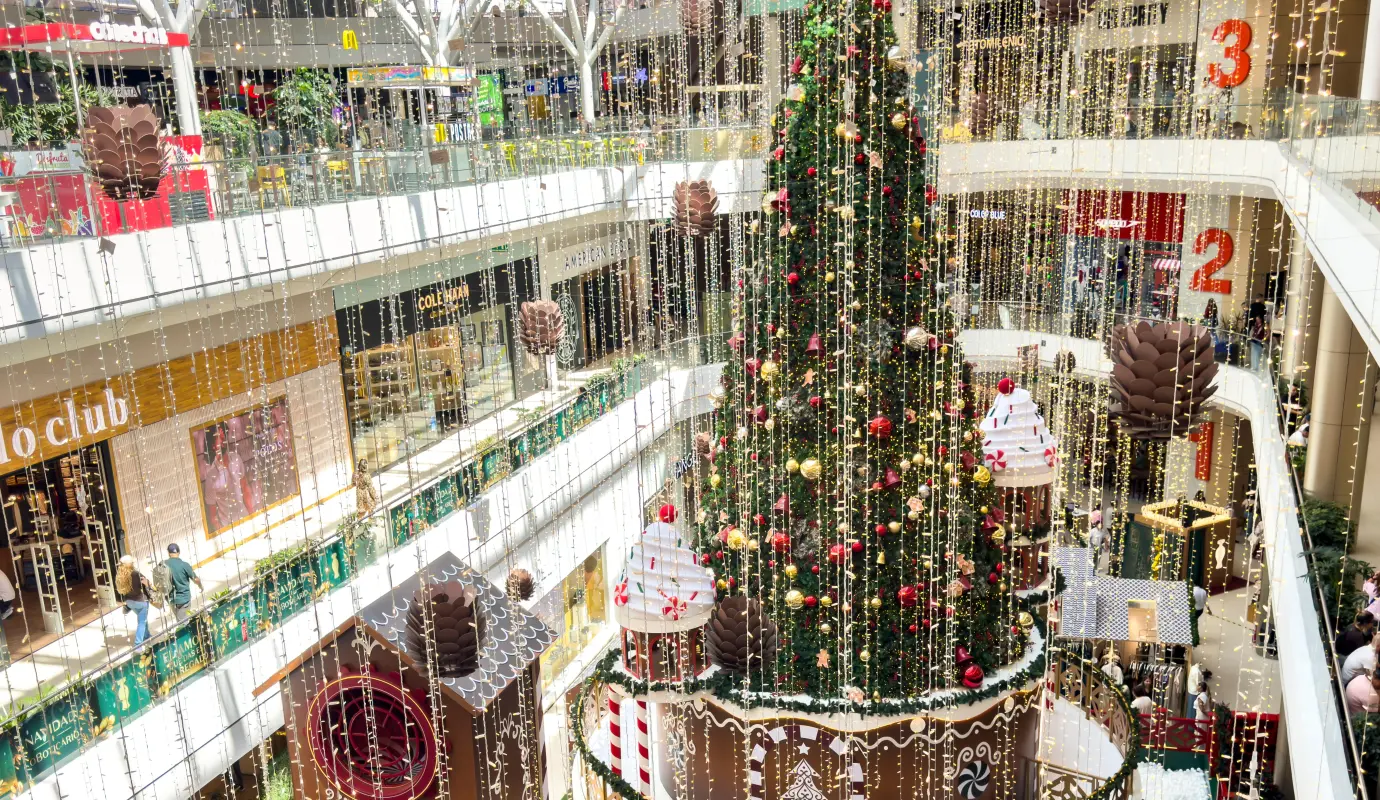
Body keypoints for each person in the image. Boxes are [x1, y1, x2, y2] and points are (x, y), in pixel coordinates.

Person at [115, 555, 152, 646]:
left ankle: (147, 635)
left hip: (130, 602)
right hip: (141, 601)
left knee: (142, 618)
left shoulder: (120, 576)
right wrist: (147, 584)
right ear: (130, 564)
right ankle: (138, 644)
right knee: (141, 622)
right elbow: (148, 583)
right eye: (132, 562)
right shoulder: (135, 574)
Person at [163, 544, 202, 624]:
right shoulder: (184, 565)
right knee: (183, 623)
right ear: (179, 552)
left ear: (168, 553)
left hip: (171, 599)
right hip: (183, 598)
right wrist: (200, 586)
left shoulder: (163, 565)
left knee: (179, 618)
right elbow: (196, 580)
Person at [1248, 295, 1269, 372]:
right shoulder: (1262, 307)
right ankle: (1254, 367)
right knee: (1255, 353)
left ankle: (1256, 367)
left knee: (1257, 353)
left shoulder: (1252, 306)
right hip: (1255, 337)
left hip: (1258, 338)